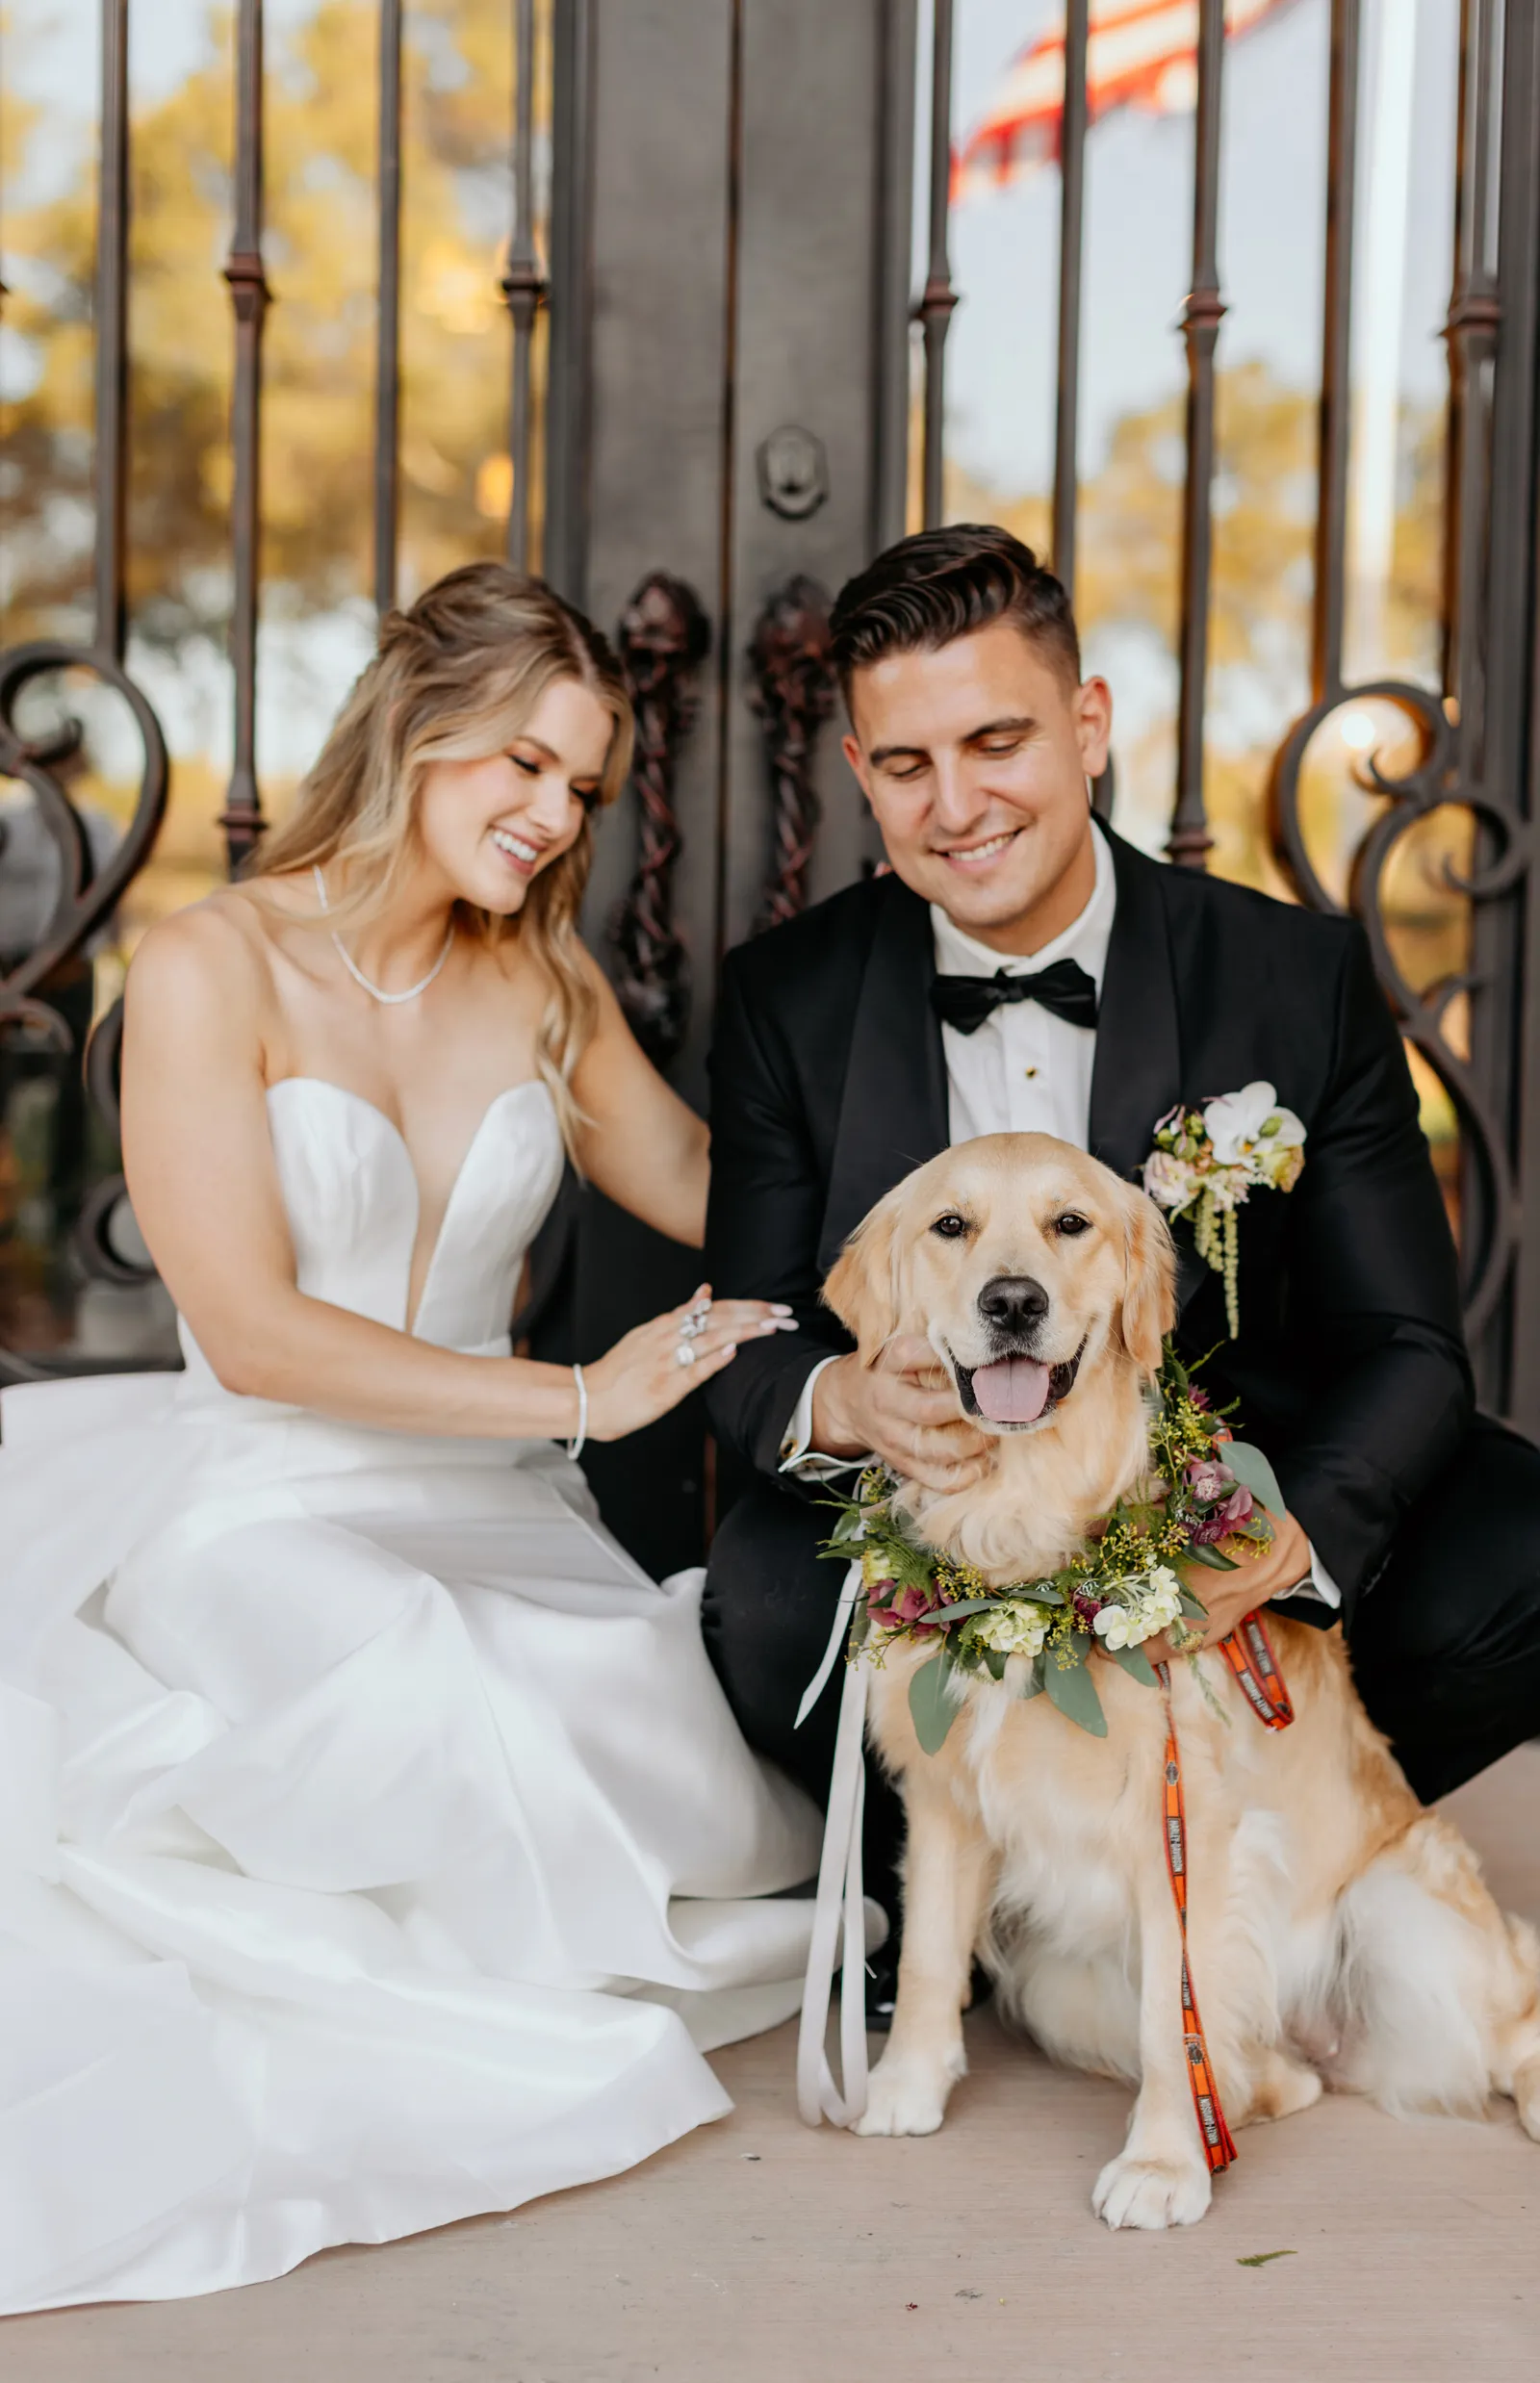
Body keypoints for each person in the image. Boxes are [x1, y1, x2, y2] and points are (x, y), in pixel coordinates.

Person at [0, 562, 822, 2316]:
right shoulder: (213, 961)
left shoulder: (543, 984)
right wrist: (589, 1400)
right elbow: (256, 1333)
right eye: (522, 765)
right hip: (260, 1492)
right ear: (417, 725)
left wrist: (944, 1248)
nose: (550, 818)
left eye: (583, 789)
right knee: (418, 1671)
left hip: (492, 1496)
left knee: (622, 1690)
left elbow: (699, 1189)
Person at [701, 522, 1540, 2007]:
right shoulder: (789, 997)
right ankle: (986, 1919)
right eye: (905, 766)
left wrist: (1287, 1539)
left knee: (1520, 1542)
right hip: (942, 1522)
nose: (955, 807)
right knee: (765, 1609)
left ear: (1088, 727)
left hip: (1210, 1490)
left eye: (998, 741)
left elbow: (1411, 1343)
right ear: (856, 773)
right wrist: (840, 1399)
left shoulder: (1291, 975)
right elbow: (750, 1338)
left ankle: (1242, 1880)